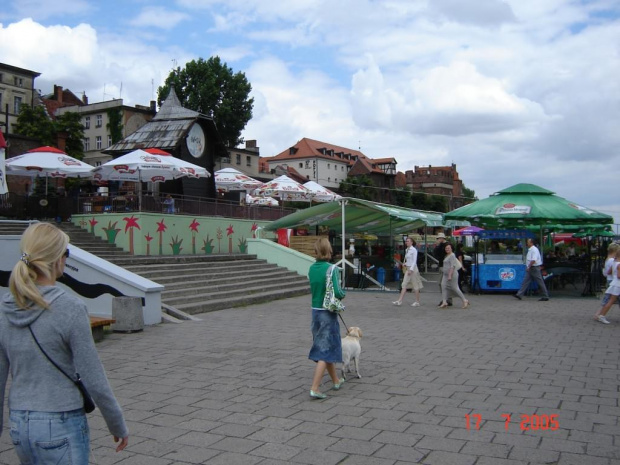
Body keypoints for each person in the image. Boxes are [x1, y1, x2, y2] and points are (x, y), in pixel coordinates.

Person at [0, 222, 129, 463]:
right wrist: (117, 424)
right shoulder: (70, 307)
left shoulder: (6, 307)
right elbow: (93, 376)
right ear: (59, 259)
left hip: (19, 424)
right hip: (60, 420)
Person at [308, 237, 346, 399]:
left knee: (326, 346)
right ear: (328, 250)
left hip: (315, 311)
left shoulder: (311, 268)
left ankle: (336, 380)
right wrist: (343, 295)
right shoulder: (332, 269)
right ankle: (315, 388)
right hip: (327, 313)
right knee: (324, 350)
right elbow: (338, 292)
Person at [593, 243, 620, 324]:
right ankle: (601, 315)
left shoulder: (614, 262)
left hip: (614, 283)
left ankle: (600, 315)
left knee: (610, 300)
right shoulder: (618, 264)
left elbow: (608, 272)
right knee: (610, 301)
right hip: (617, 284)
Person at [392, 237, 423, 307]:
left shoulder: (414, 250)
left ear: (412, 242)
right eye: (406, 241)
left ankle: (417, 301)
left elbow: (414, 261)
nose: (407, 242)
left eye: (408, 241)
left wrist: (411, 270)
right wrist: (405, 264)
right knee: (404, 284)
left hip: (413, 269)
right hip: (408, 268)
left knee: (415, 285)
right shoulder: (407, 250)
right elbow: (409, 260)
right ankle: (399, 300)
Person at [438, 244, 469, 309]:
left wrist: (450, 275)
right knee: (443, 286)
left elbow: (453, 266)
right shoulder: (447, 255)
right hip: (445, 274)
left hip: (452, 274)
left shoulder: (452, 255)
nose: (447, 249)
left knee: (455, 288)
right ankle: (444, 302)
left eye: (448, 248)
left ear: (452, 249)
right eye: (446, 248)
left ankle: (464, 300)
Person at [433, 232, 453, 306]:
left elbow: (441, 254)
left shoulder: (447, 246)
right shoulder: (441, 246)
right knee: (442, 284)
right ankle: (446, 299)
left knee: (443, 283)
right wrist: (438, 245)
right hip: (442, 266)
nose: (438, 240)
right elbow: (435, 254)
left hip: (446, 267)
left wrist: (439, 246)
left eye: (439, 238)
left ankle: (447, 299)